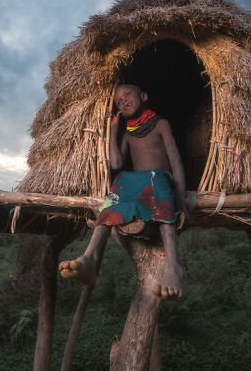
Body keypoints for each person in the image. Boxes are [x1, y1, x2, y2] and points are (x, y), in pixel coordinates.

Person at [59, 84, 186, 301]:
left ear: (144, 96)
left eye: (128, 95)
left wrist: (181, 203)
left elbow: (176, 160)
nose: (123, 101)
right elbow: (117, 162)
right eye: (118, 101)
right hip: (136, 185)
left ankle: (173, 267)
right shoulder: (128, 134)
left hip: (160, 180)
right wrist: (114, 130)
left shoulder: (161, 124)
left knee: (159, 187)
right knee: (114, 194)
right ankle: (91, 257)